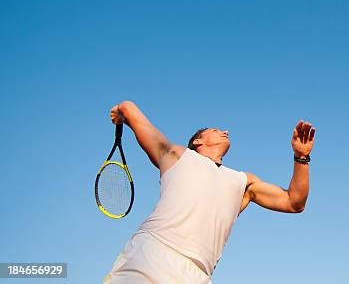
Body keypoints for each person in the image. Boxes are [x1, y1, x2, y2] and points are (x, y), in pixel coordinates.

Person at [103, 101, 315, 284]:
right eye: (215, 130)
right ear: (198, 141)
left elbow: (294, 202)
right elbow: (136, 117)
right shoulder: (178, 156)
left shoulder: (244, 183)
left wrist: (301, 157)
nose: (225, 132)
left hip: (198, 274)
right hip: (150, 254)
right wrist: (123, 110)